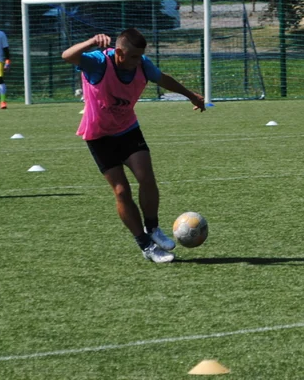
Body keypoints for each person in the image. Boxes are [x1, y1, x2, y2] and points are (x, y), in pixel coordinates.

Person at [62, 27, 205, 264]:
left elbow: (163, 79)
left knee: (146, 178)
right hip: (99, 136)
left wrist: (190, 95)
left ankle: (153, 228)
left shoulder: (141, 64)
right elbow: (67, 56)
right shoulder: (98, 62)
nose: (139, 62)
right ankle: (146, 245)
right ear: (119, 52)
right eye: (134, 57)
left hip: (127, 129)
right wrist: (90, 41)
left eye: (141, 56)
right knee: (121, 191)